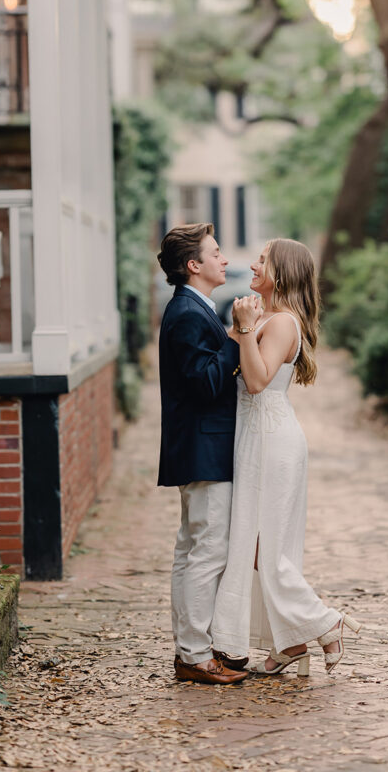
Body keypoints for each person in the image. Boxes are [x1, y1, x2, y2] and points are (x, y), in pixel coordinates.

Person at [212, 238, 361, 676]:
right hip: (254, 437)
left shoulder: (281, 323)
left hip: (271, 440)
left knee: (268, 548)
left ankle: (325, 621)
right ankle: (291, 644)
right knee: (257, 547)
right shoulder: (266, 317)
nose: (254, 265)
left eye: (263, 260)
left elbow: (256, 381)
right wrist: (242, 327)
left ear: (283, 273)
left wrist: (243, 329)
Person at [157, 223, 249, 685]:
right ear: (194, 265)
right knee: (207, 552)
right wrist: (236, 337)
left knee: (192, 550)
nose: (224, 259)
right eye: (215, 253)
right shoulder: (188, 313)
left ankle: (191, 649)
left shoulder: (194, 307)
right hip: (204, 447)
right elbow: (206, 384)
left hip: (199, 446)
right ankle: (194, 656)